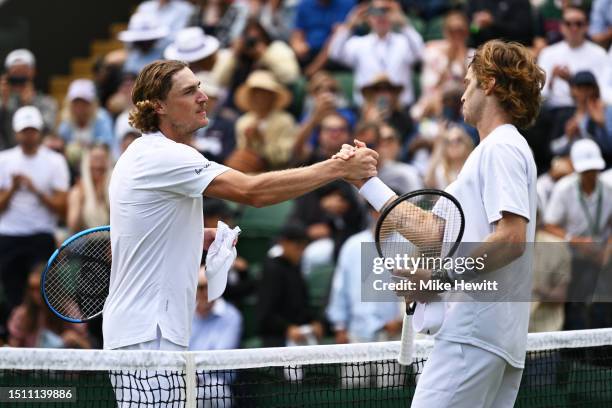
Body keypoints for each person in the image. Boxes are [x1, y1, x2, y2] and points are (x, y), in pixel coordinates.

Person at [103, 59, 377, 352]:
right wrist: (339, 168)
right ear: (159, 106)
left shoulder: (146, 153)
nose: (203, 96)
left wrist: (194, 237)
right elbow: (253, 191)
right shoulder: (163, 155)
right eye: (188, 91)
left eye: (199, 87)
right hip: (149, 334)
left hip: (147, 331)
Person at [336, 39, 544, 407]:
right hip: (490, 337)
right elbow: (433, 232)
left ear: (490, 83)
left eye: (468, 83)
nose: (462, 94)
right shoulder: (491, 152)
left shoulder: (502, 147)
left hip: (474, 332)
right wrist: (366, 181)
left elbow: (511, 239)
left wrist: (439, 279)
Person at [0, 106, 70, 326]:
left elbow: (62, 208)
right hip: (9, 236)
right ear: (16, 132)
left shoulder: (55, 161)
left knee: (42, 292)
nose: (28, 135)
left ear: (39, 131)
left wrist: (35, 190)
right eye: (24, 130)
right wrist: (12, 189)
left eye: (32, 130)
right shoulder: (3, 160)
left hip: (41, 236)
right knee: (12, 295)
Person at [327, 0, 424, 108]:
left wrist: (404, 24)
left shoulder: (404, 41)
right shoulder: (358, 43)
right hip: (366, 108)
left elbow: (420, 53)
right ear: (368, 18)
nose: (381, 16)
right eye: (376, 12)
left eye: (386, 11)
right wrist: (349, 25)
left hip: (400, 108)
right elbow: (334, 53)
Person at [0, 49, 58, 149]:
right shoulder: (3, 101)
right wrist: (3, 104)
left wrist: (30, 105)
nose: (19, 79)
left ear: (33, 72)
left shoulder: (47, 102)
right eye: (15, 74)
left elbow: (47, 129)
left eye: (23, 74)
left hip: (35, 154)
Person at [66, 144, 112, 233]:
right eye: (95, 159)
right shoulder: (77, 191)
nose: (98, 164)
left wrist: (104, 197)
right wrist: (81, 201)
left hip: (110, 240)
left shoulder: (114, 189)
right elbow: (72, 228)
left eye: (102, 159)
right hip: (86, 241)